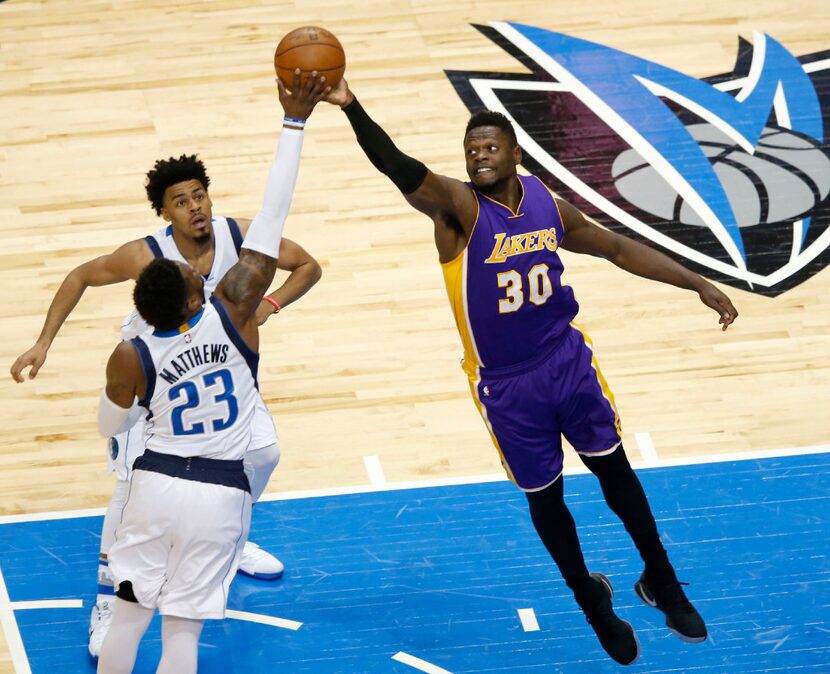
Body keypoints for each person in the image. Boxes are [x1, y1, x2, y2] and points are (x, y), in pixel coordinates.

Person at [325, 80, 738, 666]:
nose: (479, 156)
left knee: (617, 476)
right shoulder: (460, 211)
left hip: (567, 362)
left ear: (515, 153)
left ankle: (662, 581)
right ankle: (592, 600)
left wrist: (697, 282)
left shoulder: (547, 203)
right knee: (548, 501)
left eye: (490, 147)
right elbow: (398, 166)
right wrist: (351, 106)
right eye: (471, 150)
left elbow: (616, 248)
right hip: (507, 385)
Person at [10, 98, 322, 663]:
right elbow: (81, 274)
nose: (195, 207)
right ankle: (109, 596)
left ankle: (232, 539)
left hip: (194, 388)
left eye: (199, 194)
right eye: (181, 201)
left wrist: (273, 302)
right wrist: (43, 341)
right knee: (127, 495)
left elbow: (306, 262)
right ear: (164, 213)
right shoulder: (179, 280)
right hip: (161, 390)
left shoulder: (233, 248)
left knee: (266, 452)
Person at [93, 71, 328, 674]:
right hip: (221, 493)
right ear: (198, 296)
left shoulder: (134, 353)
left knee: (125, 621)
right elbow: (273, 218)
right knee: (182, 639)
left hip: (155, 485)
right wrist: (294, 122)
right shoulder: (236, 318)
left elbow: (110, 423)